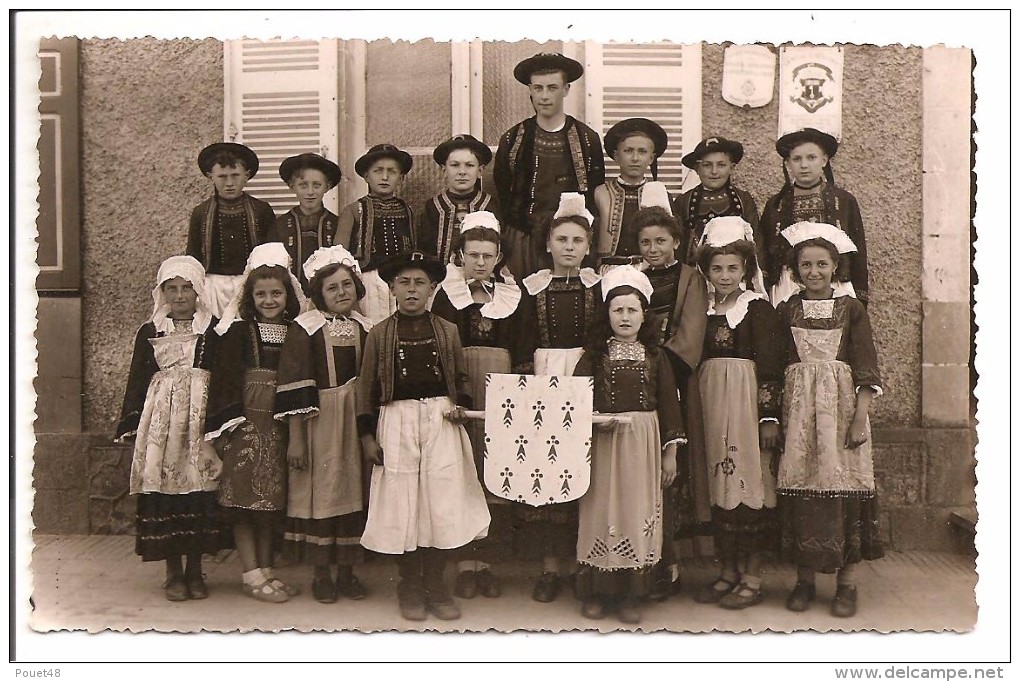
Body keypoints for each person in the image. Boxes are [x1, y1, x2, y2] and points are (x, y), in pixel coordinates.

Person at [356, 250, 490, 622]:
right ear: (392, 288)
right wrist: (368, 436)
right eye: (404, 283)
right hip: (396, 422)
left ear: (433, 288)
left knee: (440, 503)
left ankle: (436, 584)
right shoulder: (379, 334)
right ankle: (410, 584)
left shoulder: (446, 330)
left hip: (440, 420)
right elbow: (366, 387)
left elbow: (460, 378)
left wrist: (460, 405)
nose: (411, 290)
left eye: (419, 283)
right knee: (405, 505)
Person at [775, 222, 883, 618]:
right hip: (799, 414)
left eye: (822, 264)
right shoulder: (786, 309)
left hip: (841, 413)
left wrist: (859, 419)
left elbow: (867, 366)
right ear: (795, 269)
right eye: (806, 265)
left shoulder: (851, 309)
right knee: (803, 490)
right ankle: (804, 581)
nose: (814, 272)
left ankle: (847, 584)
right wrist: (775, 418)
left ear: (835, 268)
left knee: (843, 491)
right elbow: (777, 364)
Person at [573, 266, 683, 625]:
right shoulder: (593, 356)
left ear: (643, 315)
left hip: (643, 443)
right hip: (603, 443)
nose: (625, 317)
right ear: (607, 315)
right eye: (618, 310)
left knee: (637, 513)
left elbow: (669, 405)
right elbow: (574, 400)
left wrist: (670, 453)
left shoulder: (657, 356)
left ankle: (632, 594)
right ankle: (598, 591)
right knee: (601, 510)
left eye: (632, 310)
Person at [114, 256, 226, 601]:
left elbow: (222, 380)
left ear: (198, 292)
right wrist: (132, 424)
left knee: (198, 487)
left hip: (198, 420)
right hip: (161, 423)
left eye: (186, 288)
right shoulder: (150, 331)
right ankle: (173, 572)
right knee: (164, 490)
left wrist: (218, 425)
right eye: (172, 289)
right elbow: (137, 379)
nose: (179, 296)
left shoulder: (214, 330)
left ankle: (195, 570)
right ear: (162, 292)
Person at [690, 217, 784, 610]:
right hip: (711, 401)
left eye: (732, 268)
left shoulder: (757, 309)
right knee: (718, 487)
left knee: (750, 487)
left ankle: (752, 575)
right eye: (717, 268)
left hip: (745, 404)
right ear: (706, 271)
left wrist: (767, 417)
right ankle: (727, 570)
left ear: (745, 269)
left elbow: (771, 366)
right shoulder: (703, 308)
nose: (724, 275)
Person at [205, 243, 306, 603]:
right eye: (261, 294)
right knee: (244, 505)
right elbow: (226, 381)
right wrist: (226, 431)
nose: (268, 300)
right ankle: (250, 573)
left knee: (270, 506)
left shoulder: (296, 331)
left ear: (288, 295)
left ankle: (266, 570)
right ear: (250, 297)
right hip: (247, 426)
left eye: (276, 293)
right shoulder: (238, 332)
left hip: (278, 427)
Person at [429, 210, 522, 600]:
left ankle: (488, 564)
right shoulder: (447, 297)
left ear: (498, 256)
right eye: (473, 255)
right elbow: (440, 349)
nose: (480, 262)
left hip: (501, 390)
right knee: (463, 475)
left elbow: (521, 349)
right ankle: (465, 564)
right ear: (460, 256)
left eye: (488, 255)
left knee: (496, 473)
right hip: (463, 389)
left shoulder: (513, 296)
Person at [514, 192, 602, 602]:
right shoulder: (530, 289)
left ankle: (585, 564)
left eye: (578, 241)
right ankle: (551, 568)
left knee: (586, 472)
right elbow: (522, 341)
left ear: (588, 246)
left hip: (585, 381)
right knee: (548, 471)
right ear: (548, 244)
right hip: (543, 381)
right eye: (562, 240)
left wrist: (590, 375)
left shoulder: (599, 288)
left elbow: (601, 339)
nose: (570, 248)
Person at [274, 245, 371, 604]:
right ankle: (321, 574)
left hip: (356, 418)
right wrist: (296, 439)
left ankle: (347, 572)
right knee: (322, 493)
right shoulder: (305, 328)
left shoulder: (366, 327)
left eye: (347, 285)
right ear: (317, 294)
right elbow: (296, 383)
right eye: (332, 288)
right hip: (319, 420)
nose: (341, 292)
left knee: (352, 492)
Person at [630, 199, 710, 599]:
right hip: (633, 384)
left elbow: (691, 334)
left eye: (660, 240)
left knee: (670, 470)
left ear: (676, 242)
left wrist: (658, 373)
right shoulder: (631, 278)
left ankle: (671, 565)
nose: (653, 249)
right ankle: (639, 559)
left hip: (672, 381)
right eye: (645, 242)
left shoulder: (690, 279)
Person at [494, 52, 605, 278]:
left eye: (552, 88)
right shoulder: (513, 139)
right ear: (530, 90)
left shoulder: (586, 139)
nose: (544, 96)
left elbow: (595, 190)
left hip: (571, 241)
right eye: (538, 88)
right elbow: (503, 190)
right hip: (522, 239)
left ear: (565, 90)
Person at [759, 128, 869, 306]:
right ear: (788, 163)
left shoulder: (843, 200)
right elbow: (765, 251)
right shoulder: (775, 205)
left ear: (824, 160)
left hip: (834, 280)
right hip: (788, 284)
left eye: (811, 158)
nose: (804, 165)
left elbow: (858, 249)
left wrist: (861, 293)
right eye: (797, 159)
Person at [186, 142, 277, 317]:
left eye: (235, 175)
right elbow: (193, 258)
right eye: (222, 176)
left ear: (246, 176)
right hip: (212, 290)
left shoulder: (261, 210)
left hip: (251, 287)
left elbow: (271, 255)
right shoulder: (201, 213)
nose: (229, 183)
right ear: (210, 176)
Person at [337, 143, 416, 324]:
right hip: (367, 282)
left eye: (392, 171)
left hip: (401, 281)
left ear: (401, 177)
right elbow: (339, 256)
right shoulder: (354, 210)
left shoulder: (408, 211)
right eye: (378, 171)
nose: (385, 177)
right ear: (366, 176)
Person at [593, 117, 670, 270]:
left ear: (651, 158)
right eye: (628, 151)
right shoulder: (600, 193)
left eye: (642, 152)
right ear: (616, 156)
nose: (635, 158)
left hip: (648, 268)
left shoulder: (659, 194)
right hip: (608, 269)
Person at [673, 136, 762, 267]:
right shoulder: (684, 202)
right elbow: (677, 244)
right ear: (697, 169)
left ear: (731, 168)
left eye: (721, 165)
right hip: (695, 276)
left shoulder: (743, 200)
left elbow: (756, 241)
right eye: (707, 165)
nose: (714, 171)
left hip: (733, 275)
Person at [419, 134, 499, 265]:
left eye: (469, 165)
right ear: (444, 170)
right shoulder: (433, 207)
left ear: (480, 171)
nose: (462, 171)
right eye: (455, 165)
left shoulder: (490, 205)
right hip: (441, 278)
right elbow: (425, 248)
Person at [266, 153, 343, 286]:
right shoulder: (280, 225)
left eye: (317, 185)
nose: (310, 192)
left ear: (327, 186)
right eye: (303, 185)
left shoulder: (337, 224)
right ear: (292, 186)